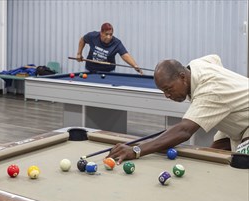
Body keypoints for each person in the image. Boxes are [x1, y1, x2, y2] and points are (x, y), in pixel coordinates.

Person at [107, 54, 249, 163]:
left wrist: (136, 150)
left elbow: (184, 131)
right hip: (237, 125)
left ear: (182, 77)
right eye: (163, 91)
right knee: (211, 157)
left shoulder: (211, 90)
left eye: (169, 89)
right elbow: (215, 59)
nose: (167, 95)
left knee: (241, 168)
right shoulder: (195, 66)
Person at [76, 23, 143, 74]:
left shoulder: (116, 43)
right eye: (106, 34)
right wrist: (79, 53)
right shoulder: (92, 36)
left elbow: (125, 55)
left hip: (108, 72)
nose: (109, 37)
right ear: (101, 33)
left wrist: (135, 66)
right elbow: (83, 40)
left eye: (111, 34)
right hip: (90, 70)